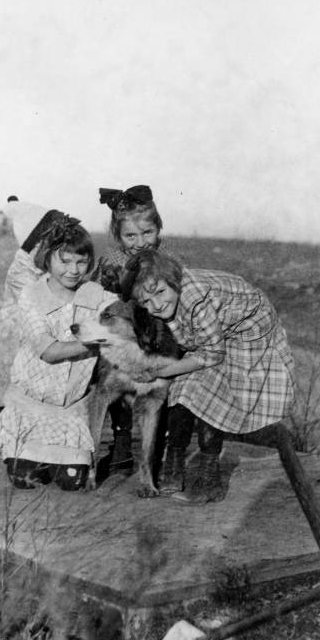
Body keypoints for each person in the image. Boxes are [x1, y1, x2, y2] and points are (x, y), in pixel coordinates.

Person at [122, 249, 296, 506]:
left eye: (159, 293)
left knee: (212, 397)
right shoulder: (172, 301)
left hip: (248, 332)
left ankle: (209, 478)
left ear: (173, 282)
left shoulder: (195, 300)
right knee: (183, 390)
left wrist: (161, 371)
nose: (156, 305)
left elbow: (212, 354)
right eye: (146, 301)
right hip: (216, 337)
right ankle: (173, 467)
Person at [0, 215, 113, 490]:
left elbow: (122, 314)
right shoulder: (32, 295)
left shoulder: (94, 294)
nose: (73, 270)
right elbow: (49, 352)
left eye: (81, 262)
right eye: (64, 261)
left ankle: (65, 461)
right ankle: (23, 455)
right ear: (47, 259)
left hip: (71, 409)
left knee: (72, 482)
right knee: (25, 480)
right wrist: (97, 343)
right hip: (31, 404)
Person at [90, 184, 186, 480]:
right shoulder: (112, 263)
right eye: (130, 236)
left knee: (168, 387)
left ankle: (160, 455)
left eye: (147, 233)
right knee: (110, 368)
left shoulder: (169, 261)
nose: (141, 242)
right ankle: (120, 441)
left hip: (161, 338)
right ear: (118, 236)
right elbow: (101, 305)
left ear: (159, 229)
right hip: (123, 338)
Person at [0, 197, 63, 409]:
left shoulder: (42, 267)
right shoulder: (21, 270)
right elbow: (36, 300)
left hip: (33, 338)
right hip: (16, 336)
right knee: (10, 387)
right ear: (33, 245)